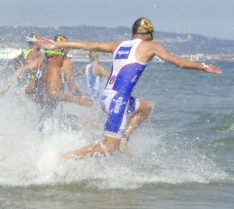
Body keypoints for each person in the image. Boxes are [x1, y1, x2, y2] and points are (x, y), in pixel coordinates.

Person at [52, 17, 223, 159]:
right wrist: (202, 66)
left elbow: (91, 45)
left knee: (145, 107)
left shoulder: (119, 45)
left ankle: (124, 139)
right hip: (118, 101)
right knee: (107, 148)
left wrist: (59, 45)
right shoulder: (151, 46)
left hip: (108, 98)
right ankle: (64, 158)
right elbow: (177, 62)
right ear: (149, 33)